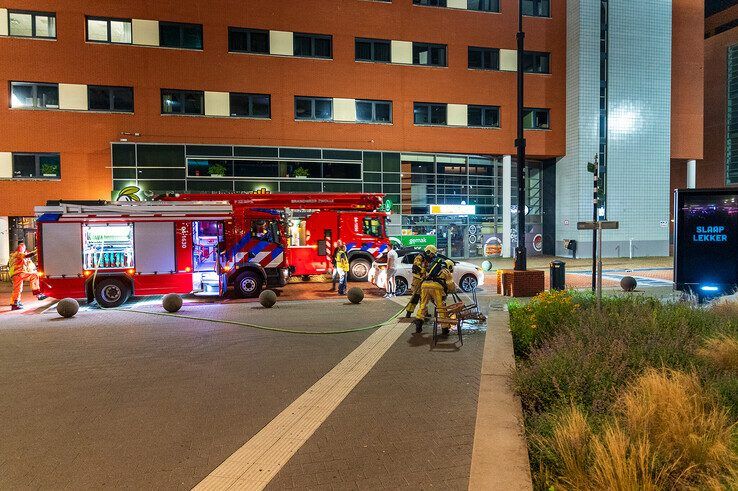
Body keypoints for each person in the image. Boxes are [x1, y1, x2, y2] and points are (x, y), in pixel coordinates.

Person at [414, 259, 456, 334]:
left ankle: (418, 322)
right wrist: (453, 290)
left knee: (423, 305)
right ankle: (445, 328)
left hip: (424, 286)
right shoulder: (446, 271)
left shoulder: (433, 268)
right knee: (441, 307)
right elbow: (450, 285)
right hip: (436, 288)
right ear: (449, 266)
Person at [9, 241, 47, 311]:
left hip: (15, 274)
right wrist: (37, 251)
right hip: (19, 273)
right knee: (34, 276)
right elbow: (26, 256)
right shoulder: (17, 253)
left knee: (17, 289)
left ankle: (15, 303)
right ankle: (38, 293)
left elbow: (30, 264)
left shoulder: (17, 256)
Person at [404, 244, 436, 318]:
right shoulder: (419, 257)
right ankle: (408, 313)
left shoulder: (427, 259)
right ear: (428, 252)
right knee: (415, 297)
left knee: (424, 298)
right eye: (432, 254)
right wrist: (423, 270)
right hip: (417, 281)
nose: (432, 256)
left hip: (423, 281)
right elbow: (415, 267)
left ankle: (424, 312)